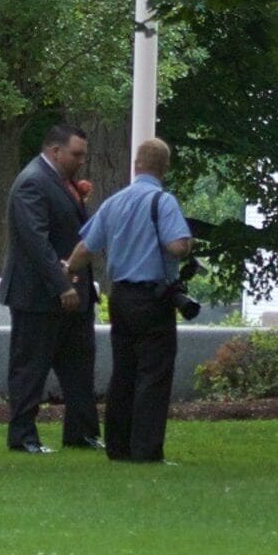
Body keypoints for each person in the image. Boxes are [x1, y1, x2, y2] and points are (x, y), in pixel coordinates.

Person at [74, 136, 196, 463]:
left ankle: (117, 446)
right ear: (164, 168)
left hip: (120, 296)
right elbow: (176, 246)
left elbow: (86, 247)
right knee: (153, 374)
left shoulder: (114, 202)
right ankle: (146, 450)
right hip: (153, 297)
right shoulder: (163, 202)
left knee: (124, 372)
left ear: (136, 165)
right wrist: (188, 245)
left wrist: (68, 270)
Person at [0, 120, 98, 454]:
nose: (81, 161)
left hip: (73, 294)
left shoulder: (60, 182)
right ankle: (23, 437)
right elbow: (35, 242)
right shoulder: (33, 182)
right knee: (31, 369)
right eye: (76, 154)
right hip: (37, 297)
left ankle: (82, 432)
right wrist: (61, 285)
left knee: (79, 367)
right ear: (55, 151)